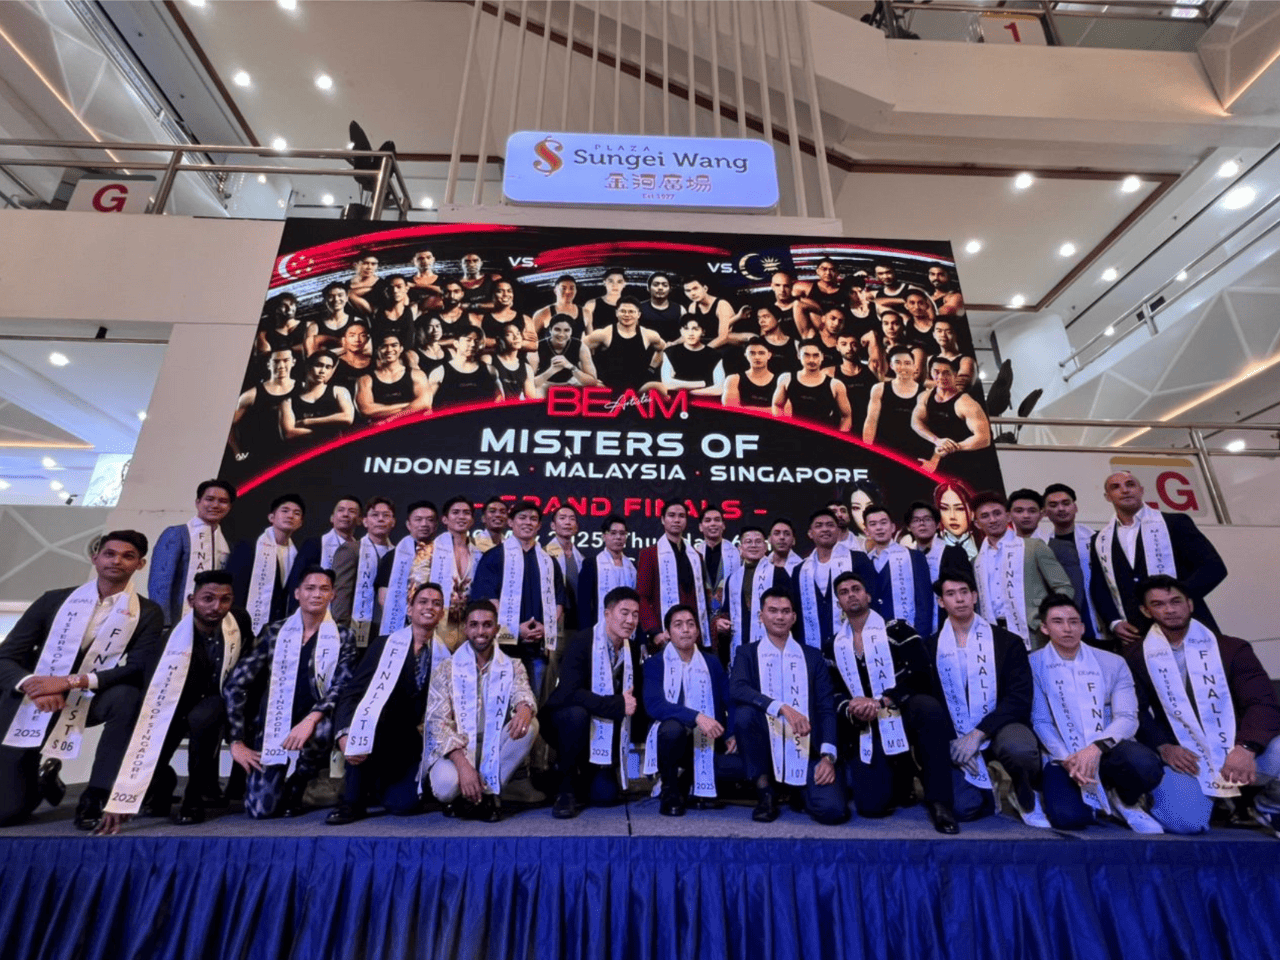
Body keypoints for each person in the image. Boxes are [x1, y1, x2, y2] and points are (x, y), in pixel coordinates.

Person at [0, 531, 163, 830]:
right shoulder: (54, 600)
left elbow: (137, 668)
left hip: (92, 696)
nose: (117, 561)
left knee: (128, 697)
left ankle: (98, 793)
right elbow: (6, 656)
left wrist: (70, 682)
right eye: (110, 553)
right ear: (95, 557)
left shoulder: (147, 612)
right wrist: (34, 684)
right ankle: (41, 780)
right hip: (35, 696)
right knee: (7, 814)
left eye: (128, 556)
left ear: (140, 564)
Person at [1124, 576, 1280, 836]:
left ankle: (1267, 805)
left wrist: (1246, 747)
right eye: (1158, 604)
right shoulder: (1134, 656)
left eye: (1176, 601)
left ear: (1190, 604)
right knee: (1186, 822)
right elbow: (1136, 712)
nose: (1170, 609)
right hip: (1186, 757)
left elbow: (1262, 703)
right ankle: (1216, 803)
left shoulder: (1232, 649)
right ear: (1145, 610)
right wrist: (1164, 746)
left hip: (1238, 750)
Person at [98, 570, 252, 832]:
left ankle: (194, 797)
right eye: (208, 599)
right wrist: (125, 793)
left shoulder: (238, 620)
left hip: (217, 700)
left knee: (203, 717)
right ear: (192, 600)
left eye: (225, 599)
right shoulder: (169, 641)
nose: (217, 607)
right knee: (150, 761)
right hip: (173, 704)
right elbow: (153, 695)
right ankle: (163, 785)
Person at [827, 572, 959, 832]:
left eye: (856, 588)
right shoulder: (833, 645)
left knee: (929, 709)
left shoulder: (897, 629)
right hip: (865, 721)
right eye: (844, 592)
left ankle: (940, 802)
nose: (851, 594)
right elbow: (833, 693)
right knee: (871, 807)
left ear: (867, 595)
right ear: (839, 603)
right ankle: (902, 773)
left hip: (901, 708)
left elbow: (922, 674)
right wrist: (854, 708)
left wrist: (885, 699)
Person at [224, 566, 358, 819]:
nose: (316, 594)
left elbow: (342, 686)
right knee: (260, 810)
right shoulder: (274, 632)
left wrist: (311, 719)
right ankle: (283, 786)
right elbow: (236, 683)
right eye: (310, 588)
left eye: (324, 589)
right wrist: (236, 740)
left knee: (320, 731)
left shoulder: (343, 636)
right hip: (273, 724)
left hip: (316, 722)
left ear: (333, 596)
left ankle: (299, 785)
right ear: (297, 593)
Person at [1030, 594, 1165, 833]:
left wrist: (1095, 748)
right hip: (1062, 755)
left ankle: (1124, 799)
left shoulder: (1113, 662)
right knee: (1069, 819)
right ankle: (1056, 793)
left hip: (1107, 748)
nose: (1067, 628)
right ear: (1044, 628)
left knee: (1146, 765)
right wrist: (1069, 759)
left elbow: (1127, 718)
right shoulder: (1033, 664)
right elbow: (1040, 720)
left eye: (1073, 621)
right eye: (1058, 622)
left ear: (1082, 626)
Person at [925, 572, 1048, 828]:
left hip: (1000, 725)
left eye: (964, 592)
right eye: (950, 594)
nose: (959, 599)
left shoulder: (1007, 642)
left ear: (975, 596)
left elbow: (1019, 698)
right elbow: (931, 701)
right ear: (940, 602)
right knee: (964, 809)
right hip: (954, 733)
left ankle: (1021, 787)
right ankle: (987, 777)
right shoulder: (930, 647)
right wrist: (954, 741)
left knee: (1021, 749)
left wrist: (978, 734)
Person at [327, 583, 445, 824]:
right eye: (423, 602)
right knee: (362, 735)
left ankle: (379, 787)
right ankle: (353, 799)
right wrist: (344, 733)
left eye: (436, 603)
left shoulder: (445, 655)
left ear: (442, 613)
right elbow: (353, 693)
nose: (429, 607)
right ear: (410, 609)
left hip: (408, 743)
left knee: (404, 805)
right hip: (372, 736)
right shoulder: (384, 645)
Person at [730, 589, 846, 824]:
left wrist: (827, 756)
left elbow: (826, 707)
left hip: (805, 747)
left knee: (832, 811)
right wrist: (781, 707)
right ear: (761, 616)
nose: (779, 617)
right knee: (745, 714)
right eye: (772, 611)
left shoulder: (812, 656)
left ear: (794, 617)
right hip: (764, 745)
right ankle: (765, 792)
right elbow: (738, 689)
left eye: (785, 612)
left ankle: (796, 789)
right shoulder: (747, 653)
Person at [422, 599, 539, 821]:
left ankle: (486, 796)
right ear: (465, 628)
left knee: (530, 725)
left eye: (487, 625)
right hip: (458, 749)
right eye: (474, 625)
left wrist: (524, 707)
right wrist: (463, 766)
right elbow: (438, 723)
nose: (480, 631)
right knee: (447, 786)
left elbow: (522, 692)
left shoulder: (512, 665)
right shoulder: (447, 669)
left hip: (494, 745)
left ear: (496, 629)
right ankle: (468, 794)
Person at [542, 586, 648, 819]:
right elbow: (571, 692)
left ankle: (588, 774)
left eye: (635, 614)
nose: (630, 620)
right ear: (607, 614)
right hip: (566, 721)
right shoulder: (582, 641)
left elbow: (633, 697)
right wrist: (616, 705)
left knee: (605, 797)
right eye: (624, 612)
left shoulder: (631, 649)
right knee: (576, 714)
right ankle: (565, 789)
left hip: (602, 730)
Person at [1089, 470, 1228, 643]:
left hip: (1188, 625)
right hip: (1136, 634)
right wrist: (1114, 622)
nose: (1125, 490)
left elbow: (1214, 567)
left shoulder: (1174, 523)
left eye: (1130, 485)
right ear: (1108, 496)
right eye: (1116, 487)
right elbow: (1099, 586)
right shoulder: (1100, 539)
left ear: (1141, 490)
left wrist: (1177, 599)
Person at [643, 605, 739, 816]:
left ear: (697, 631)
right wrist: (696, 717)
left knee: (739, 766)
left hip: (709, 739)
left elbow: (729, 700)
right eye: (678, 625)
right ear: (667, 633)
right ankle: (670, 789)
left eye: (690, 624)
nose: (685, 629)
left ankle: (689, 779)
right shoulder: (655, 664)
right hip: (671, 740)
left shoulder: (712, 662)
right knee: (672, 729)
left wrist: (731, 732)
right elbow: (655, 705)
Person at [472, 500, 565, 696]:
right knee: (500, 704)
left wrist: (545, 627)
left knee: (535, 704)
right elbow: (487, 600)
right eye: (522, 518)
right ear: (511, 523)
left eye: (533, 519)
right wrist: (514, 628)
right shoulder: (494, 556)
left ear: (539, 526)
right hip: (502, 647)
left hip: (537, 647)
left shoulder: (549, 561)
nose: (528, 523)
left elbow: (558, 602)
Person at [971, 491, 1073, 647]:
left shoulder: (1033, 546)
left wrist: (1048, 620)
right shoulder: (976, 561)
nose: (992, 520)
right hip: (993, 633)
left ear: (1008, 516)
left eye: (997, 513)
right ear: (977, 523)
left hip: (1034, 630)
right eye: (985, 516)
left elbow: (1063, 587)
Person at [149, 479, 236, 626]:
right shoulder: (177, 534)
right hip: (175, 621)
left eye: (222, 501)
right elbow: (160, 584)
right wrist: (163, 624)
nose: (215, 505)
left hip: (210, 623)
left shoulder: (226, 544)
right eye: (209, 499)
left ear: (229, 507)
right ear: (198, 502)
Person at [226, 493, 309, 634]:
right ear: (271, 517)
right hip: (241, 624)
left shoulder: (298, 556)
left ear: (300, 522)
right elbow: (233, 587)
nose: (290, 516)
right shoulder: (248, 547)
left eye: (296, 513)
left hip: (277, 627)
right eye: (285, 511)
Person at [794, 509, 876, 649]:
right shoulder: (799, 570)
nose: (825, 529)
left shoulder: (858, 559)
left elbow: (871, 599)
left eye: (830, 525)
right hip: (812, 645)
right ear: (810, 533)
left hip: (856, 643)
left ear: (838, 530)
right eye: (819, 526)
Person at [636, 501, 711, 647]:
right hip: (664, 635)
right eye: (671, 515)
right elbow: (642, 597)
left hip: (694, 634)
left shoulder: (696, 556)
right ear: (663, 519)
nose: (677, 520)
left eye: (681, 516)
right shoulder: (650, 554)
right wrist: (655, 631)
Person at [720, 526, 793, 668]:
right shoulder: (732, 578)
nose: (753, 545)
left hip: (773, 641)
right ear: (740, 548)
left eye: (758, 541)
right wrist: (721, 622)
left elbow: (790, 609)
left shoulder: (779, 573)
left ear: (766, 547)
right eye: (748, 541)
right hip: (740, 642)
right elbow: (726, 612)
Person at [1035, 483, 1101, 641]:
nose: (1061, 509)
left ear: (1075, 507)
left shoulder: (1098, 539)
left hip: (1101, 616)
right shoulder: (1043, 546)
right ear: (1045, 513)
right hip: (1068, 621)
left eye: (1066, 503)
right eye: (1053, 505)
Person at [910, 356, 992, 476]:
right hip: (935, 460)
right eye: (936, 372)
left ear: (954, 374)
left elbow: (984, 438)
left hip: (964, 464)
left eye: (946, 373)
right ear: (931, 373)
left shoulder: (966, 403)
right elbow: (916, 422)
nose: (941, 377)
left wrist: (953, 447)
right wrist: (937, 440)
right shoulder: (924, 396)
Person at [861, 504, 934, 638]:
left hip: (909, 637)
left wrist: (920, 638)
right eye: (873, 524)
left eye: (883, 523)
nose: (879, 528)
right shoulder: (864, 562)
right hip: (876, 637)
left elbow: (925, 602)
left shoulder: (914, 557)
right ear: (866, 531)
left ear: (893, 527)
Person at [331, 496, 396, 642]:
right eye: (375, 515)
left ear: (393, 522)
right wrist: (343, 628)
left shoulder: (399, 554)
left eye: (386, 516)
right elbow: (341, 591)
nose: (380, 519)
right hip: (355, 628)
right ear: (365, 521)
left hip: (388, 628)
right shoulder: (350, 550)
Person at [902, 501, 972, 633]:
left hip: (954, 625)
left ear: (938, 524)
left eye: (927, 519)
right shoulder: (905, 559)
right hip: (919, 628)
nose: (922, 523)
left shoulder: (954, 553)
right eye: (916, 520)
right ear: (909, 527)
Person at [425, 495, 484, 648]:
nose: (461, 517)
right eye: (456, 512)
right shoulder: (428, 551)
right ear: (445, 519)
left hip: (469, 625)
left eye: (466, 513)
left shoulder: (479, 554)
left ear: (472, 520)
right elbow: (414, 591)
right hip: (436, 622)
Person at [377, 500, 440, 639]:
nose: (424, 524)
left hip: (438, 624)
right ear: (408, 524)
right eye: (418, 520)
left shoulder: (445, 555)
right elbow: (384, 597)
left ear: (436, 525)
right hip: (403, 624)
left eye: (429, 520)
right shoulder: (393, 556)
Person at [584, 297, 666, 393]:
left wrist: (652, 368)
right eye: (623, 311)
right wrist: (590, 377)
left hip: (639, 386)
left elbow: (663, 349)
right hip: (609, 386)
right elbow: (578, 348)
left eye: (631, 312)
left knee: (663, 389)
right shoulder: (604, 334)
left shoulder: (649, 335)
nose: (627, 315)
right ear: (616, 313)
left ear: (638, 314)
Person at [228, 348, 296, 463]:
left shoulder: (304, 388)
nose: (281, 365)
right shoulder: (251, 395)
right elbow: (229, 425)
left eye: (286, 360)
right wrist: (237, 453)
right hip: (264, 457)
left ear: (293, 362)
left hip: (296, 455)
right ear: (268, 364)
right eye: (276, 361)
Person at [864, 346, 931, 460]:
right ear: (891, 366)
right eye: (898, 363)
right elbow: (871, 422)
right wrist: (868, 450)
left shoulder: (926, 393)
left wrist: (930, 459)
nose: (903, 367)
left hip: (915, 453)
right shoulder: (879, 388)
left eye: (907, 363)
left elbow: (930, 428)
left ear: (914, 366)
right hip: (885, 451)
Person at [772, 342, 852, 431]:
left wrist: (839, 440)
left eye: (816, 355)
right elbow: (777, 405)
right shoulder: (786, 378)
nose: (811, 360)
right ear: (799, 355)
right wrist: (782, 430)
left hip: (824, 438)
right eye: (806, 355)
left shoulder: (835, 385)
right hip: (794, 436)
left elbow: (847, 416)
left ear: (822, 356)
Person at [576, 514, 637, 629]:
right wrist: (587, 634)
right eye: (613, 533)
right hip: (597, 630)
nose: (618, 537)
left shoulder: (632, 567)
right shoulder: (591, 564)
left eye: (622, 534)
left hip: (628, 629)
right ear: (604, 536)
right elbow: (584, 605)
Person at [355, 331, 430, 422]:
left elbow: (425, 404)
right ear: (378, 350)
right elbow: (366, 410)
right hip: (383, 433)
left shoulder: (417, 375)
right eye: (384, 346)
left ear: (401, 348)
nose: (389, 350)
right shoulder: (365, 379)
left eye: (394, 345)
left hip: (413, 428)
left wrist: (389, 420)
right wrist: (410, 406)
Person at [281, 352, 355, 442]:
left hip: (334, 450)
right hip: (306, 452)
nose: (322, 371)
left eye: (328, 367)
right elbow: (289, 433)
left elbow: (347, 418)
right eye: (319, 365)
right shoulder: (289, 401)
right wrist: (329, 432)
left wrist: (306, 422)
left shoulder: (339, 391)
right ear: (308, 367)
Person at [426, 328, 501, 410]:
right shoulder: (440, 372)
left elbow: (500, 400)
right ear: (456, 343)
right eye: (468, 340)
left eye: (476, 341)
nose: (472, 344)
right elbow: (427, 406)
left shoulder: (490, 370)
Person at [696, 503, 740, 625]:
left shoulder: (737, 554)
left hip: (730, 615)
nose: (713, 524)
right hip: (702, 616)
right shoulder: (694, 555)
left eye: (717, 520)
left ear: (723, 525)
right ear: (700, 527)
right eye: (708, 520)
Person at [544, 505, 584, 633]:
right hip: (553, 623)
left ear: (576, 527)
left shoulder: (581, 558)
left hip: (577, 623)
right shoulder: (543, 555)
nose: (567, 522)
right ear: (553, 526)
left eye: (572, 519)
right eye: (562, 518)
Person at [533, 315, 598, 392]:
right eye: (557, 330)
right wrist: (552, 370)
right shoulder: (537, 347)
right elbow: (529, 383)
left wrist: (571, 367)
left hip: (570, 384)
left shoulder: (580, 347)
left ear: (571, 332)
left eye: (566, 330)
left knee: (599, 387)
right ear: (550, 330)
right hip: (543, 385)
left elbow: (593, 381)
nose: (561, 334)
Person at [684, 277, 750, 351]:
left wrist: (702, 351)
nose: (692, 293)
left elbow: (723, 337)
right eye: (688, 291)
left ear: (705, 288)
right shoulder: (692, 307)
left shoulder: (721, 305)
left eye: (695, 288)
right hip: (709, 341)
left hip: (728, 344)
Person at [661, 317, 723, 392]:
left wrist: (689, 391)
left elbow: (720, 388)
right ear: (681, 331)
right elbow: (667, 384)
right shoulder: (670, 352)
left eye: (695, 329)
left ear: (703, 332)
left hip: (704, 400)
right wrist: (703, 383)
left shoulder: (715, 355)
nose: (690, 333)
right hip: (678, 399)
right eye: (686, 329)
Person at [830, 332, 875, 428]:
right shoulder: (829, 372)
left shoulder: (871, 370)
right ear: (837, 346)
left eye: (853, 344)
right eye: (844, 344)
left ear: (859, 346)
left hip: (868, 426)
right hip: (841, 426)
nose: (849, 348)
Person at [304, 282, 361, 357]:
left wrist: (325, 352)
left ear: (346, 298)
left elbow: (363, 350)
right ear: (325, 300)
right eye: (331, 296)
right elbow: (311, 355)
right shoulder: (315, 326)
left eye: (340, 295)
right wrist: (345, 349)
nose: (336, 299)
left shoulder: (357, 322)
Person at [721, 337, 779, 409]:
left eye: (761, 353)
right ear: (746, 355)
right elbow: (731, 410)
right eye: (752, 353)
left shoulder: (781, 381)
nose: (757, 357)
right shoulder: (733, 379)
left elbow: (784, 413)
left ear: (769, 355)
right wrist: (771, 410)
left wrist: (745, 409)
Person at [480, 280, 536, 353]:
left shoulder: (525, 318)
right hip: (490, 361)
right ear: (493, 295)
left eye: (509, 291)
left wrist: (497, 342)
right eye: (500, 291)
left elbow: (534, 345)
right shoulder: (481, 318)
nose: (505, 294)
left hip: (518, 362)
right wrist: (517, 341)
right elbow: (478, 342)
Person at [488, 321, 536, 400]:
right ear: (501, 339)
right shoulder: (489, 360)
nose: (516, 337)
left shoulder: (527, 368)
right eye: (509, 334)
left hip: (514, 410)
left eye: (518, 333)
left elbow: (531, 400)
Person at [928, 318, 977, 393]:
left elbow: (959, 386)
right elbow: (921, 383)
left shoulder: (966, 360)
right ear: (934, 334)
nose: (943, 335)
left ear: (956, 334)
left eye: (948, 331)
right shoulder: (930, 359)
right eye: (939, 331)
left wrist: (930, 384)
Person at [935, 480, 979, 560]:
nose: (952, 516)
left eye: (960, 509)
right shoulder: (931, 547)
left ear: (972, 513)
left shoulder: (986, 543)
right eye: (945, 508)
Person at [328, 320, 374, 396]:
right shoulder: (334, 363)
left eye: (362, 335)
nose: (357, 340)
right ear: (344, 340)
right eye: (352, 335)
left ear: (367, 339)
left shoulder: (375, 362)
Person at [531, 275, 585, 339]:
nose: (568, 291)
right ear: (555, 290)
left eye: (571, 288)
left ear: (576, 290)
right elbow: (530, 340)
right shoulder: (542, 313)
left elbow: (591, 342)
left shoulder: (585, 313)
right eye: (564, 288)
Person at [254, 292, 305, 360]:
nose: (289, 308)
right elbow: (264, 355)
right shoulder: (265, 334)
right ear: (275, 309)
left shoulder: (308, 325)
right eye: (284, 306)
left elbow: (311, 347)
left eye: (292, 304)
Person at [754, 303, 801, 375]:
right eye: (759, 318)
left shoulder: (795, 343)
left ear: (778, 318)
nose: (761, 321)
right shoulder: (758, 343)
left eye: (766, 317)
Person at [639, 271, 685, 342]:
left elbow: (687, 335)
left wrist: (672, 345)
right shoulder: (638, 308)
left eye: (665, 285)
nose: (660, 288)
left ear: (670, 289)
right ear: (648, 288)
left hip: (672, 350)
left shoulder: (680, 309)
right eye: (656, 284)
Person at [582, 267, 629, 333]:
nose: (614, 285)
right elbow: (589, 335)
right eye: (611, 281)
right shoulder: (591, 305)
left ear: (625, 284)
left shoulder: (631, 305)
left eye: (619, 282)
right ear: (604, 282)